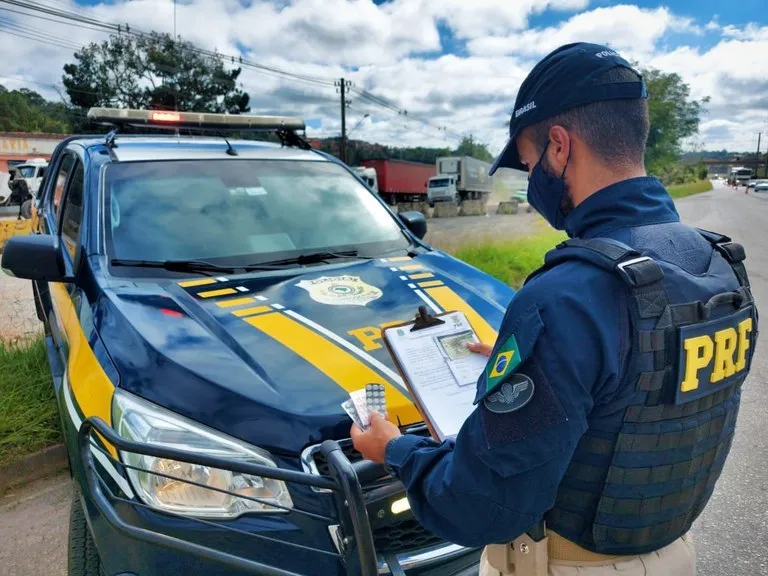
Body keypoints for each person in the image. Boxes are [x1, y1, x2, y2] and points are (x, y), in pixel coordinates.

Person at [351, 42, 758, 576]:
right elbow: (636, 388)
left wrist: (395, 450)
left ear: (559, 147)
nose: (530, 179)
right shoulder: (722, 263)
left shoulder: (567, 296)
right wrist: (537, 362)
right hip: (675, 554)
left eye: (527, 162)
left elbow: (479, 505)